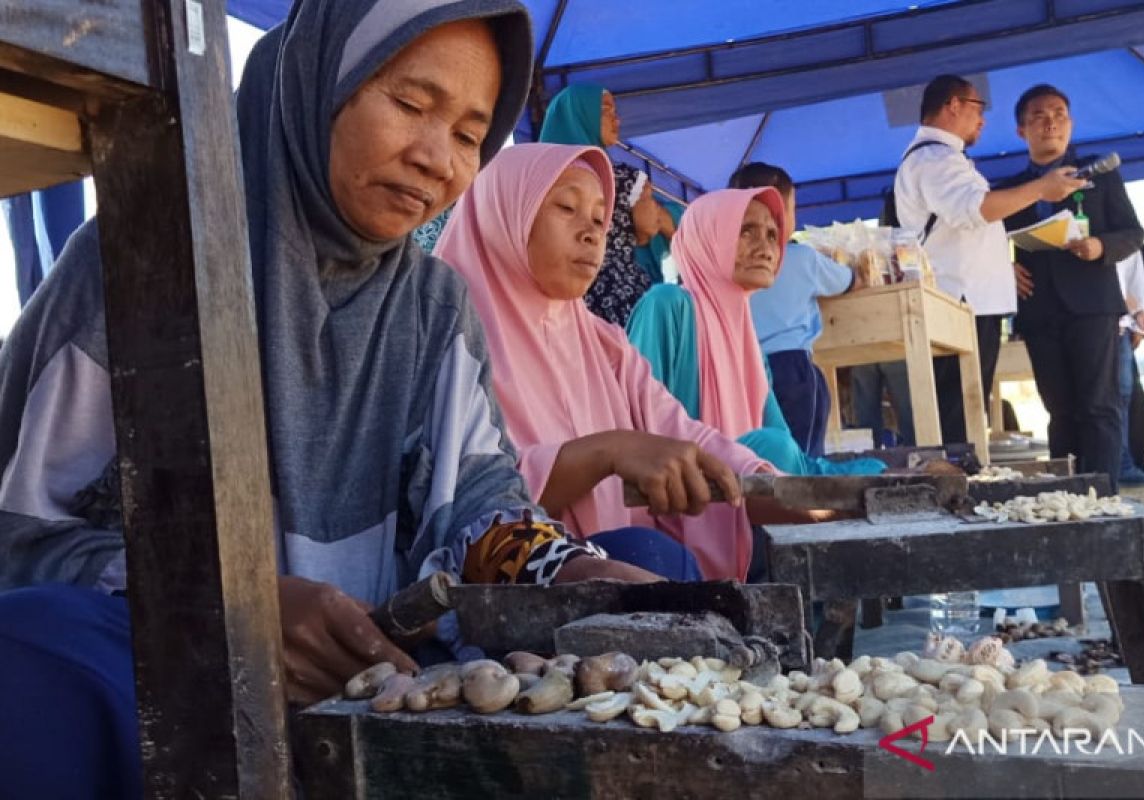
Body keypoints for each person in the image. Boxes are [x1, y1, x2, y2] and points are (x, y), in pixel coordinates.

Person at [0, 3, 656, 795]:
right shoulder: (142, 256)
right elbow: (24, 537)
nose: (434, 158)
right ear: (316, 87)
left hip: (376, 670)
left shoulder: (433, 307)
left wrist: (572, 569)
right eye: (411, 105)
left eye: (468, 134)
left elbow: (478, 503)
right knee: (34, 664)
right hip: (169, 660)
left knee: (642, 575)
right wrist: (233, 608)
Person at [436, 142, 775, 580]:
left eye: (599, 217)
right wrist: (608, 452)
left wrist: (763, 479)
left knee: (757, 534)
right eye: (565, 208)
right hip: (510, 584)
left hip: (617, 557)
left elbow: (675, 429)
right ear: (505, 215)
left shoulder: (603, 343)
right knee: (647, 554)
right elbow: (476, 500)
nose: (592, 232)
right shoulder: (450, 342)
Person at [625, 188, 886, 477]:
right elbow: (640, 424)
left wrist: (878, 472)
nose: (766, 249)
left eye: (773, 236)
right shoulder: (667, 306)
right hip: (673, 498)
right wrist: (740, 458)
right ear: (707, 237)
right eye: (746, 232)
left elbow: (795, 463)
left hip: (737, 500)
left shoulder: (750, 345)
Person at [894, 75, 1084, 445]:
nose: (983, 120)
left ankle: (958, 484)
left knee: (966, 408)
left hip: (968, 300)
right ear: (953, 105)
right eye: (979, 109)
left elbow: (965, 228)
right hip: (961, 301)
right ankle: (953, 488)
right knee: (959, 412)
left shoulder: (943, 158)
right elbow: (976, 209)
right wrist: (1042, 188)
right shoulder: (936, 158)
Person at [1000, 84, 1144, 488]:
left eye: (1059, 114)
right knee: (1058, 410)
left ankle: (1100, 498)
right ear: (1021, 130)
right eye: (1039, 117)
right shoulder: (1008, 189)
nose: (1050, 123)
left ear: (1071, 123)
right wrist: (1002, 266)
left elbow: (1133, 232)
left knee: (1100, 406)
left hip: (1093, 304)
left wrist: (1101, 245)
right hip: (1038, 308)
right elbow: (985, 238)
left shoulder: (1100, 174)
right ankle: (1066, 494)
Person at [729, 161, 858, 456]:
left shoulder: (728, 265)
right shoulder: (803, 258)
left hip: (742, 370)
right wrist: (856, 270)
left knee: (760, 458)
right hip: (792, 369)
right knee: (803, 458)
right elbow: (848, 281)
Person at [539, 84, 662, 325]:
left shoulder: (536, 176)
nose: (617, 119)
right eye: (607, 110)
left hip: (556, 301)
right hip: (620, 294)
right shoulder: (626, 179)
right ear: (583, 116)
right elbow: (648, 228)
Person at [1114, 250, 1144, 485]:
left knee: (1127, 395)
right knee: (1114, 397)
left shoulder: (1127, 236)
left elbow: (1130, 280)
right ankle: (1119, 463)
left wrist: (1136, 317)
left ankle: (1128, 462)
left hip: (1124, 322)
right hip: (1094, 319)